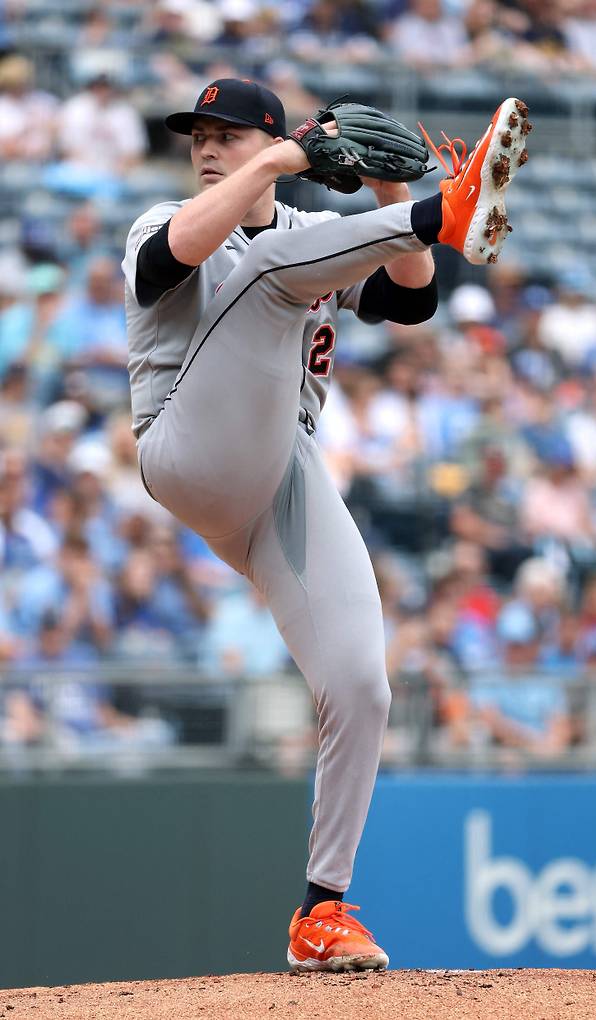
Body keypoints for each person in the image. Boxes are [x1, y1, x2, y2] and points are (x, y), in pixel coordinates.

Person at [122, 77, 529, 973]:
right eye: (199, 134)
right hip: (186, 450)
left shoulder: (317, 237)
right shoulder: (161, 219)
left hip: (283, 472)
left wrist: (393, 192)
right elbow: (179, 255)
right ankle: (449, 208)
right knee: (268, 277)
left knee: (361, 686)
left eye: (227, 133)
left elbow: (414, 303)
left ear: (265, 136)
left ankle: (322, 911)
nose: (206, 145)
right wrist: (291, 157)